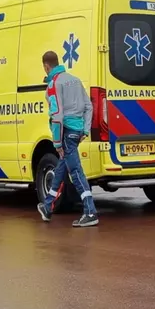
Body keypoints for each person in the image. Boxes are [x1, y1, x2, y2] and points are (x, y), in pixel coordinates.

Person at [36, 51, 99, 227]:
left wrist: (56, 143)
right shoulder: (75, 80)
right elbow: (88, 106)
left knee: (76, 172)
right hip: (77, 131)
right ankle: (48, 206)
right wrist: (85, 130)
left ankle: (90, 211)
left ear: (46, 66)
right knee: (61, 168)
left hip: (66, 133)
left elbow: (56, 116)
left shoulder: (54, 85)